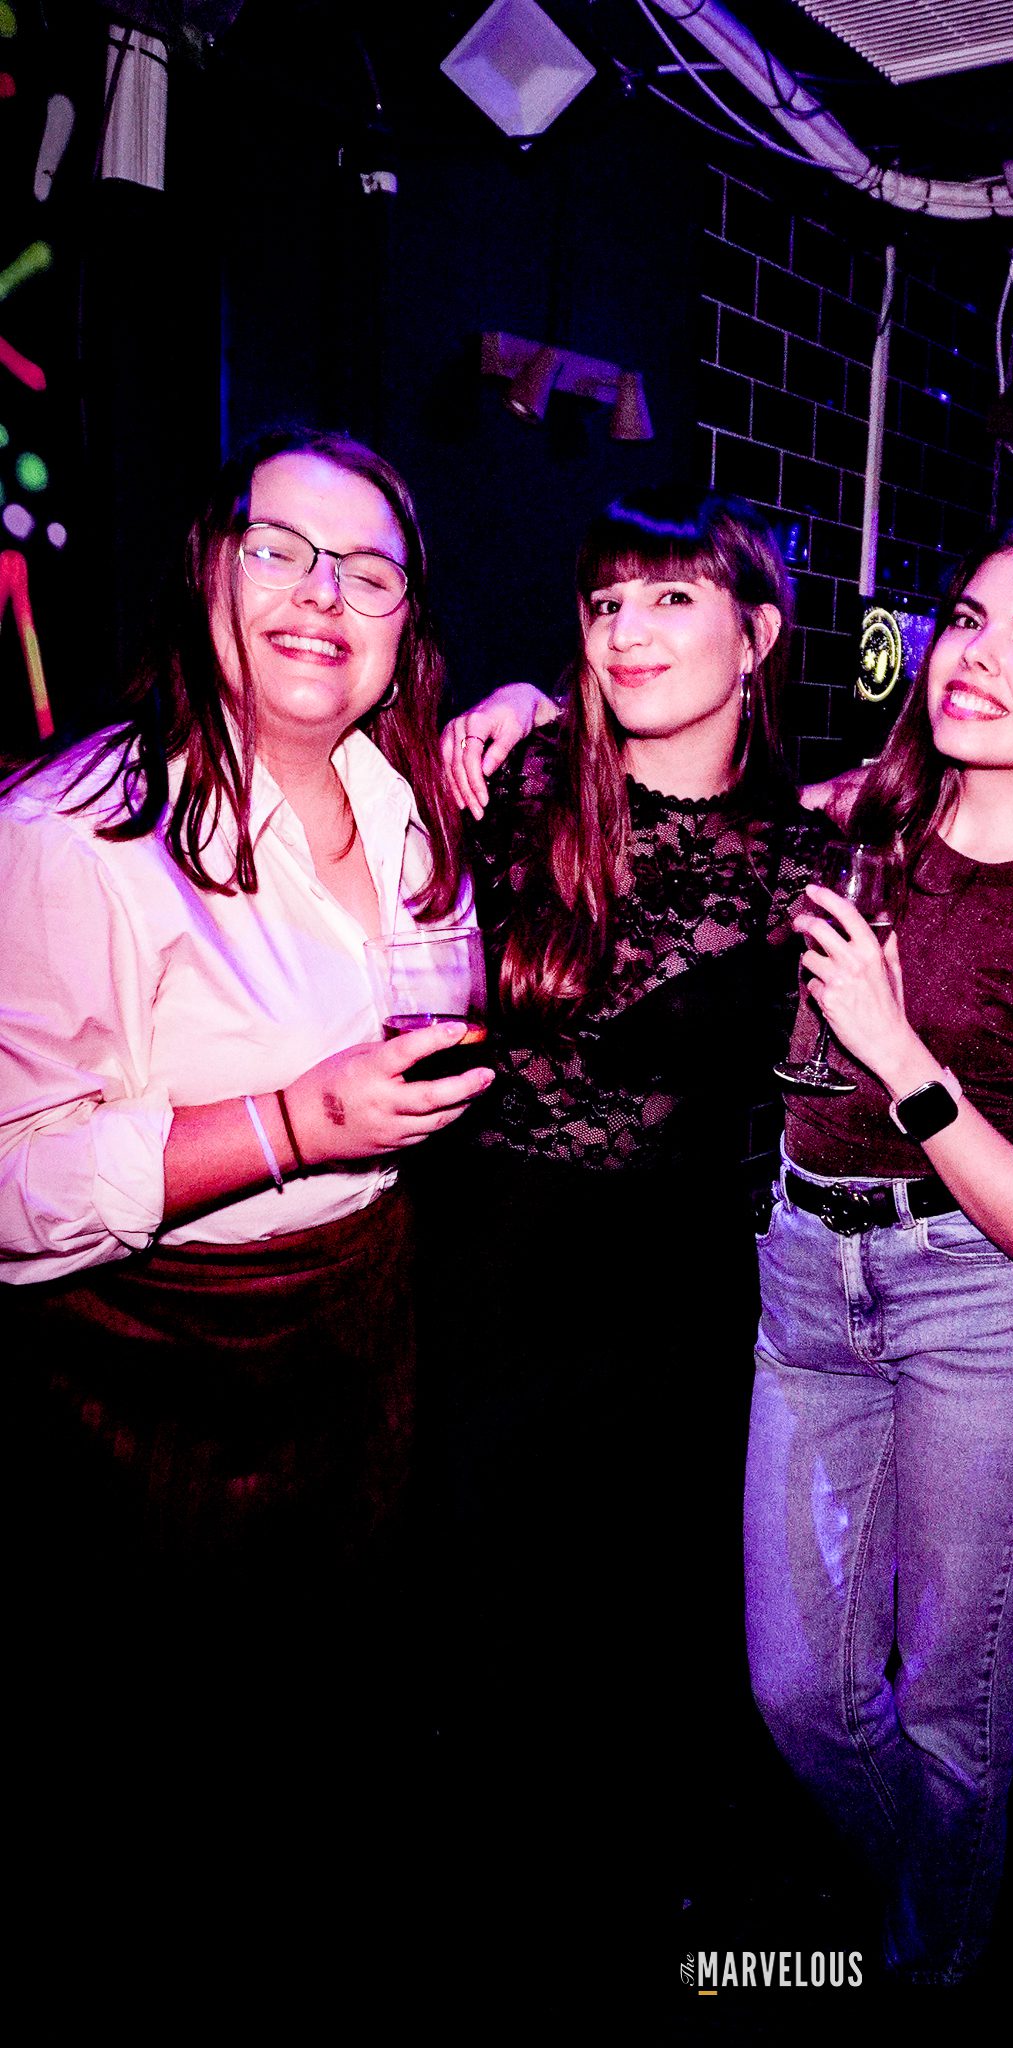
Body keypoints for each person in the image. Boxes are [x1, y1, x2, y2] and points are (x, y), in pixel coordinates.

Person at [0, 426, 491, 1740]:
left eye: (368, 573)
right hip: (157, 1373)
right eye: (280, 549)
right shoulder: (73, 830)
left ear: (404, 625)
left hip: (367, 1328)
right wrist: (290, 1124)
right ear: (207, 568)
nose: (323, 592)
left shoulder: (414, 810)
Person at [741, 515, 1013, 1988]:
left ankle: (932, 1977)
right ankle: (927, 1915)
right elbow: (678, 765)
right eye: (969, 619)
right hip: (805, 1267)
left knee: (948, 1712)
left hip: (980, 1306)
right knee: (800, 1691)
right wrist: (524, 708)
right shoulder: (855, 817)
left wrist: (892, 1044)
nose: (976, 657)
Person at [420, 487, 834, 1927]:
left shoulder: (805, 856)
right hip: (483, 1255)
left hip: (670, 1299)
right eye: (605, 603)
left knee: (636, 1636)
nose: (628, 631)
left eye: (670, 598)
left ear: (756, 634)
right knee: (474, 1614)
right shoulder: (517, 785)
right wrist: (518, 708)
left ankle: (620, 1942)